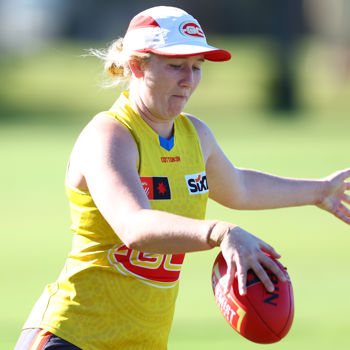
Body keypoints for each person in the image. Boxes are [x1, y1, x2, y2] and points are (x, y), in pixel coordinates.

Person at [15, 6, 350, 350]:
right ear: (136, 66)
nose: (188, 79)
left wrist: (321, 191)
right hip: (71, 337)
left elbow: (241, 187)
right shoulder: (110, 134)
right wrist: (221, 232)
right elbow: (136, 228)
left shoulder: (195, 135)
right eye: (176, 66)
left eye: (196, 67)